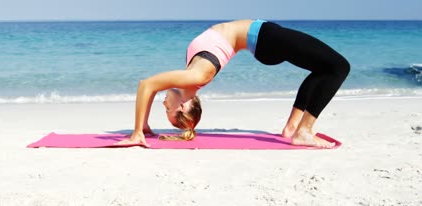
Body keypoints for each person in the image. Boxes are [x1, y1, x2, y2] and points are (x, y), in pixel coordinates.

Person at [116, 19, 350, 148]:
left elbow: (149, 86)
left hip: (264, 40)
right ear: (183, 106)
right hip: (266, 38)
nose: (163, 103)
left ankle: (292, 128)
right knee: (339, 67)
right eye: (167, 109)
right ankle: (304, 131)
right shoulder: (196, 77)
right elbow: (146, 84)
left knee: (323, 69)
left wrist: (144, 127)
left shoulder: (188, 77)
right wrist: (137, 132)